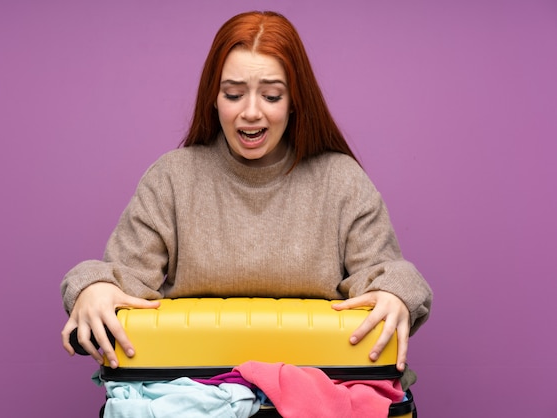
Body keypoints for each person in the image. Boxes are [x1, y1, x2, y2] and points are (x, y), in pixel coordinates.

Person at [61, 10, 432, 388]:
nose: (251, 112)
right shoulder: (172, 179)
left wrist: (395, 294)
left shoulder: (341, 180)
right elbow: (120, 279)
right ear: (214, 98)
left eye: (271, 95)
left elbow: (389, 275)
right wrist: (93, 288)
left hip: (322, 389)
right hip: (188, 391)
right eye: (234, 94)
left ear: (294, 102)